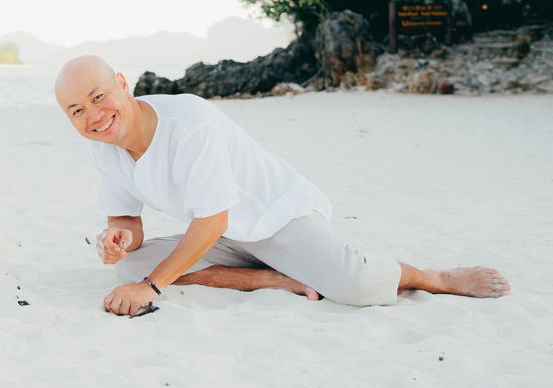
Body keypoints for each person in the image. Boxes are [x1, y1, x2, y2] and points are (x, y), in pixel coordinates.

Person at [54, 55, 511, 316]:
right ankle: (272, 280)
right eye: (77, 110)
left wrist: (152, 291)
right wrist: (118, 239)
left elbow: (212, 219)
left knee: (355, 286)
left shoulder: (188, 122)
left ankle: (434, 277)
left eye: (99, 97)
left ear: (121, 83)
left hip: (277, 218)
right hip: (225, 237)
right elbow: (126, 219)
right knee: (128, 269)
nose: (93, 116)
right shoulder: (103, 148)